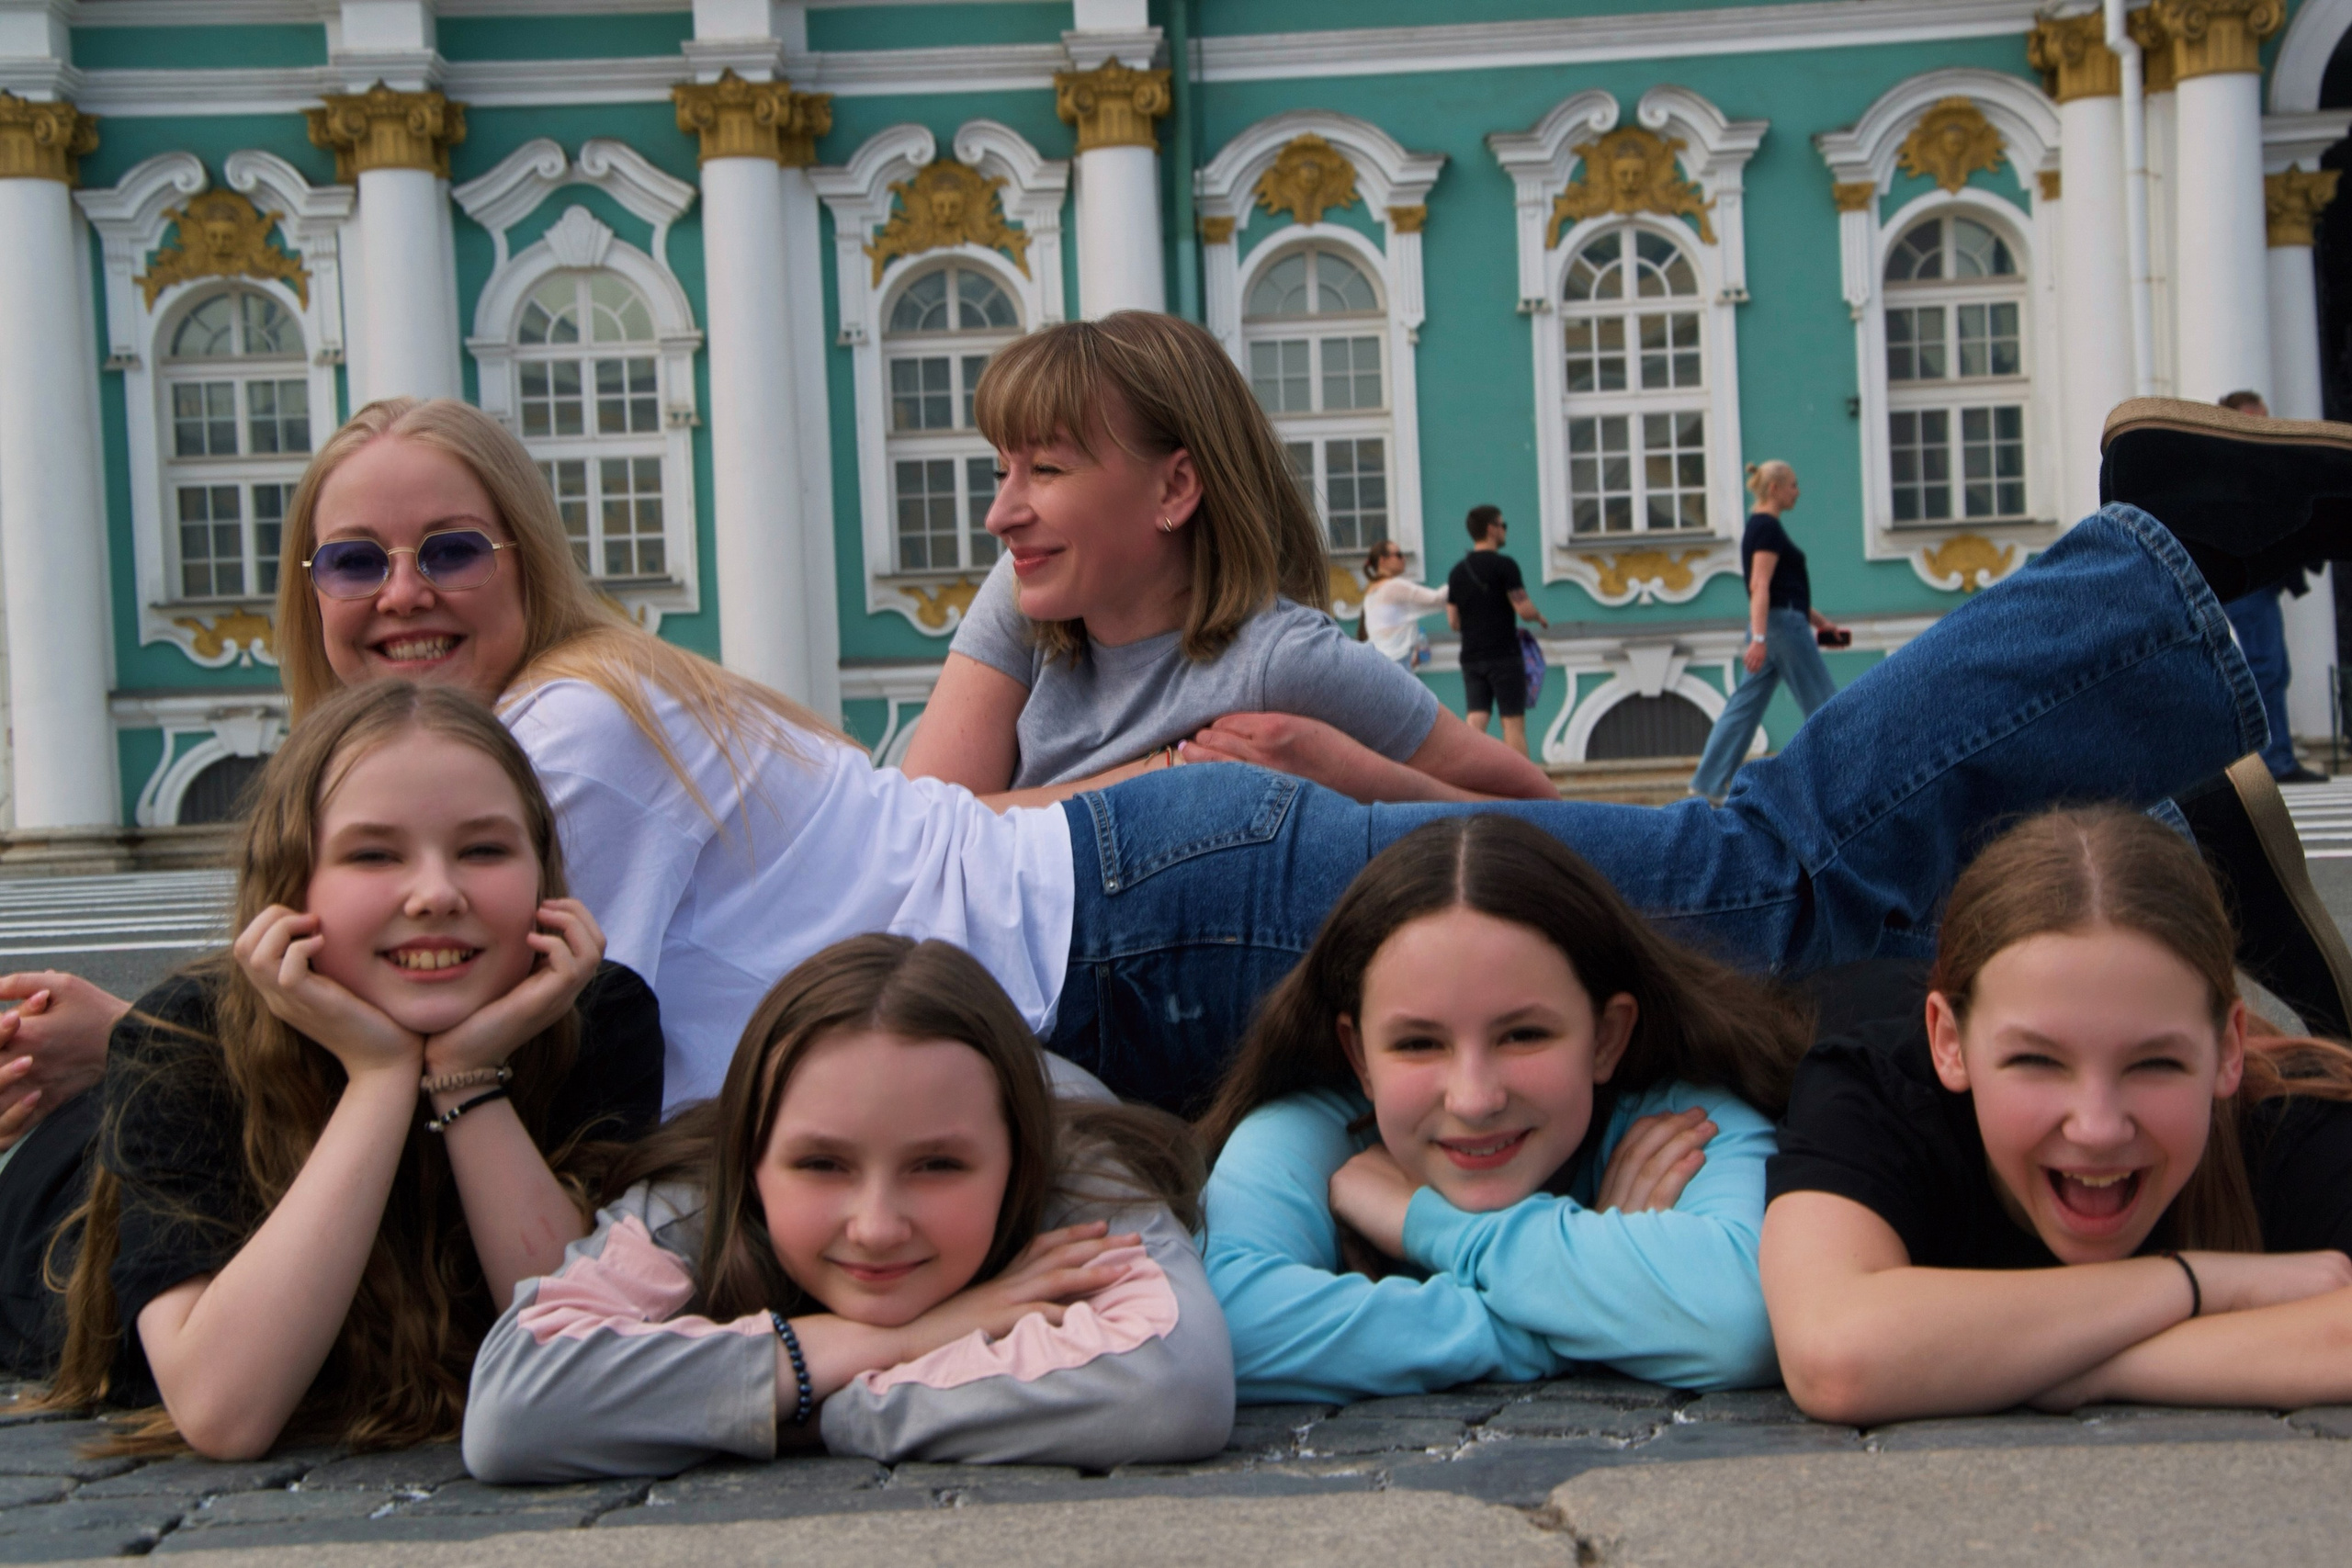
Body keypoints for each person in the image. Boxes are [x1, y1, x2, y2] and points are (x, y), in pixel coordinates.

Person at [0, 394, 2336, 1134]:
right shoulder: (552, 723)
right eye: (349, 559)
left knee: (1729, 891)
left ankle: (2152, 572)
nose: (398, 589)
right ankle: (2149, 816)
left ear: (518, 563)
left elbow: (441, 995)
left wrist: (155, 1035)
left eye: (445, 547)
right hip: (1139, 914)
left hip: (1156, 922)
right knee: (1729, 956)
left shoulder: (562, 730)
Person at [31, 682, 662, 1458]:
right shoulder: (183, 1034)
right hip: (52, 1191)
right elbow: (224, 1410)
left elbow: (586, 1355)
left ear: (544, 874)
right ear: (292, 886)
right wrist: (378, 1076)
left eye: (485, 848)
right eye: (372, 853)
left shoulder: (600, 1014)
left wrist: (465, 1074)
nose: (436, 892)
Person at [462, 933, 1231, 1481]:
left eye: (938, 1165)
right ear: (753, 1158)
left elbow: (1174, 1386)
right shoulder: (697, 1197)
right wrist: (856, 1346)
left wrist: (827, 1412)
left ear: (1017, 1160)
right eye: (821, 1164)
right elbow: (515, 1404)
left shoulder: (1077, 1177)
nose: (876, 1225)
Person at [1760, 807, 2352, 1426]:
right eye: (2037, 1060)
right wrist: (2199, 1283)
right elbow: (1835, 1354)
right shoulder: (1876, 1089)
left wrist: (2092, 1365)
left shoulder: (2291, 1123)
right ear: (1948, 1043)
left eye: (2155, 1064)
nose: (2096, 1128)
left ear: (2228, 1048)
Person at [1193, 817, 1801, 1401]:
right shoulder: (1314, 1129)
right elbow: (1221, 1326)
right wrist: (1592, 1306)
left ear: (1607, 1037)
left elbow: (1743, 1316)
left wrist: (1424, 1221)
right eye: (1418, 1044)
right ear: (1359, 1057)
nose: (1474, 1098)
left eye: (1523, 1035)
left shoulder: (1682, 1127)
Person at [903, 313, 1556, 807]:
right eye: (1001, 470)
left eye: (1044, 468)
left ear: (1175, 487)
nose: (1000, 517)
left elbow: (1545, 817)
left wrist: (1361, 778)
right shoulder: (1022, 587)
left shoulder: (1279, 662)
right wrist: (1158, 777)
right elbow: (917, 835)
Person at [1689, 461, 1849, 806]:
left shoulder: (1760, 527)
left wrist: (1820, 623)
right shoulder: (1768, 529)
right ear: (1774, 488)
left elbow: (1780, 589)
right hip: (1780, 628)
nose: (1798, 491)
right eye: (1793, 485)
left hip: (1778, 624)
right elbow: (1760, 586)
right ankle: (1847, 774)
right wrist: (1759, 639)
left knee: (1744, 708)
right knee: (1824, 703)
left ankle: (1707, 785)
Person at [2215, 392, 2327, 785]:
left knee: (2272, 668)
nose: (2266, 426)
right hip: (2247, 579)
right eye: (2257, 420)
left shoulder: (2245, 466)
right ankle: (2270, 759)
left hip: (2257, 580)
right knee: (2266, 667)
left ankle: (2275, 755)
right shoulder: (2233, 468)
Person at [1446, 506, 1550, 756]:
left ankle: (1470, 780)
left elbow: (1453, 621)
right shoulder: (1505, 566)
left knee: (1476, 720)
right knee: (1512, 723)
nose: (1505, 531)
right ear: (1491, 529)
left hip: (1471, 657)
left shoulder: (1458, 571)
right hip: (1504, 655)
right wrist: (1538, 616)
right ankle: (1521, 791)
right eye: (1503, 525)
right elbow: (1523, 609)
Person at [1358, 538, 1450, 668]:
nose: (1404, 559)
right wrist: (1461, 575)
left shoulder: (1370, 594)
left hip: (1380, 664)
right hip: (1396, 662)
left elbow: (1389, 633)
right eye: (1398, 555)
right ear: (1382, 561)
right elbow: (1437, 599)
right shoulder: (1393, 586)